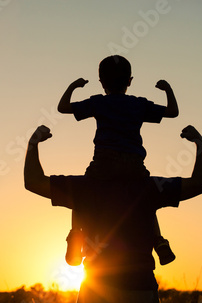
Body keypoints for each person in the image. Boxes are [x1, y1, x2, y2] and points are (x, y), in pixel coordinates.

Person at [24, 124, 202, 303]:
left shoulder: (84, 186)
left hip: (97, 289)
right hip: (140, 286)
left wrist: (34, 143)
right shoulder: (148, 187)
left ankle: (76, 236)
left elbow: (33, 181)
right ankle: (159, 241)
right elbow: (200, 183)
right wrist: (199, 143)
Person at [57, 55, 179, 266]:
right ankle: (158, 240)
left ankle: (77, 235)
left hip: (104, 162)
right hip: (134, 164)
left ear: (101, 81)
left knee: (79, 194)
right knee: (147, 201)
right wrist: (168, 89)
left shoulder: (99, 102)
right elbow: (172, 112)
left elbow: (63, 107)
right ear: (130, 81)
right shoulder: (138, 104)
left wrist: (74, 86)